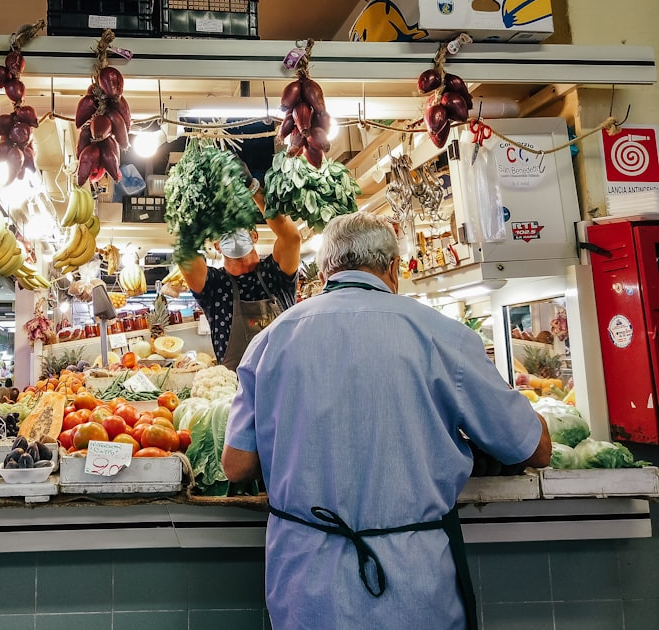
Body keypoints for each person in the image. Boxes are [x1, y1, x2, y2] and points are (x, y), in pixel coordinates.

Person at [221, 212, 552, 630]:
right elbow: (532, 449)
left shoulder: (270, 340)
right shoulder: (442, 335)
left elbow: (236, 466)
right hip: (413, 585)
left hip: (304, 585)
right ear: (393, 268)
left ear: (325, 272)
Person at [177, 165, 302, 369]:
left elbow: (292, 238)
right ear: (217, 245)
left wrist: (253, 189)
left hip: (287, 385)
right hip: (236, 392)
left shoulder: (275, 273)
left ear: (254, 236)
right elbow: (184, 253)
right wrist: (194, 199)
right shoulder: (213, 286)